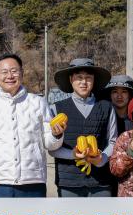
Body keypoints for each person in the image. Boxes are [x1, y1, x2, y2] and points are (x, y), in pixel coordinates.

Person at [0, 53, 65, 197]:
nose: (10, 76)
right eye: (4, 72)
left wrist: (56, 134)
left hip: (33, 181)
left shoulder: (38, 103)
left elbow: (50, 143)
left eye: (14, 71)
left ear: (22, 73)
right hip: (0, 182)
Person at [49, 58, 116, 197]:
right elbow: (52, 148)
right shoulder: (56, 108)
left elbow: (113, 141)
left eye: (88, 78)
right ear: (70, 79)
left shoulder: (107, 107)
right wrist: (72, 154)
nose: (84, 82)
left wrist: (101, 159)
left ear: (94, 80)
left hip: (101, 182)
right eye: (79, 78)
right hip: (68, 181)